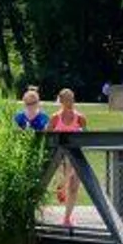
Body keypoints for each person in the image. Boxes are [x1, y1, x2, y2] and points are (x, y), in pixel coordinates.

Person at [45, 88, 88, 226]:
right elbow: (46, 136)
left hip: (74, 156)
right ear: (61, 101)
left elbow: (86, 137)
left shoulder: (80, 118)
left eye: (72, 98)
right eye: (67, 99)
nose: (70, 102)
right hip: (58, 157)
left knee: (74, 187)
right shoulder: (55, 118)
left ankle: (67, 218)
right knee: (61, 180)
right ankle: (61, 186)